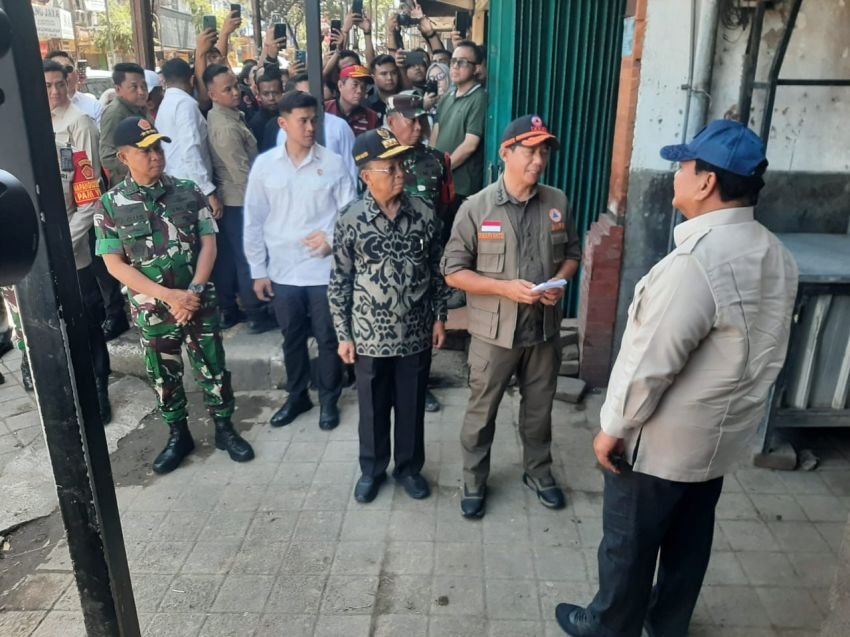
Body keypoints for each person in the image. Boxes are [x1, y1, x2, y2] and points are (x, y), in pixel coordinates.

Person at [554, 120, 799, 637]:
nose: (675, 176)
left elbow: (651, 364)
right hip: (719, 439)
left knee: (629, 543)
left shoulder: (695, 263)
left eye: (683, 167)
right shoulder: (776, 254)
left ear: (707, 181)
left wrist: (612, 428)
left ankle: (609, 626)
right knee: (689, 540)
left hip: (660, 447)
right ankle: (667, 623)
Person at [94, 117, 254, 473]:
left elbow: (209, 244)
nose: (156, 156)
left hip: (198, 301)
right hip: (153, 309)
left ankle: (225, 429)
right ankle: (178, 435)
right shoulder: (110, 204)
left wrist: (192, 292)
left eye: (158, 148)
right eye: (145, 150)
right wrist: (169, 296)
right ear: (123, 157)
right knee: (163, 376)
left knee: (213, 367)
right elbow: (115, 265)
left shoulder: (188, 190)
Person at [441, 115, 581, 519]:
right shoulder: (476, 207)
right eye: (530, 151)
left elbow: (573, 253)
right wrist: (504, 288)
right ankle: (473, 480)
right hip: (493, 335)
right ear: (506, 152)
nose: (539, 160)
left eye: (544, 152)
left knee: (539, 411)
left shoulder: (557, 202)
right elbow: (452, 271)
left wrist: (558, 282)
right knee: (481, 413)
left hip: (543, 331)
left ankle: (538, 472)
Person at [329, 129, 448, 503]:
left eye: (401, 165)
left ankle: (409, 468)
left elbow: (437, 269)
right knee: (372, 408)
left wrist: (440, 316)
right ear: (367, 176)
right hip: (369, 335)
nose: (400, 174)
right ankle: (372, 469)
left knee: (411, 405)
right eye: (390, 168)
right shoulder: (350, 219)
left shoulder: (424, 213)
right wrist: (343, 334)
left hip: (416, 330)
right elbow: (340, 279)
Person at [244, 91, 356, 431]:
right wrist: (258, 271)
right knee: (291, 337)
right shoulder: (265, 166)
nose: (310, 127)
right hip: (283, 270)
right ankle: (297, 397)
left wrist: (332, 240)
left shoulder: (333, 164)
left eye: (313, 120)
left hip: (324, 271)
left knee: (327, 338)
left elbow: (350, 215)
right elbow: (253, 220)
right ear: (283, 123)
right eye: (302, 121)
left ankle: (329, 399)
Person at [43, 60, 113, 421]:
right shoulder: (31, 125)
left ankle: (99, 386)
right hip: (38, 250)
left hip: (72, 247)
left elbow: (89, 197)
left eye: (60, 83)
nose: (55, 91)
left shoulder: (78, 124)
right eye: (47, 85)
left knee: (87, 320)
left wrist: (62, 244)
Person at [386, 90, 455, 413]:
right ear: (391, 122)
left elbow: (445, 205)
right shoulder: (377, 161)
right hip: (385, 258)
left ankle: (419, 386)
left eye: (421, 121)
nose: (418, 127)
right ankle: (387, 385)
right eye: (410, 121)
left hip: (424, 258)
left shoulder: (437, 161)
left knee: (423, 325)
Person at [204, 64, 277, 334]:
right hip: (241, 199)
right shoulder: (225, 126)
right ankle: (256, 312)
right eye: (228, 89)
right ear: (212, 94)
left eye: (235, 85)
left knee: (234, 258)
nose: (236, 92)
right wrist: (263, 204)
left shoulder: (230, 116)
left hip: (237, 198)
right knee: (248, 257)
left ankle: (233, 308)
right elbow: (242, 173)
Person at [155, 58, 222, 222]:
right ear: (192, 80)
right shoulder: (185, 105)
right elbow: (190, 150)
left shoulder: (165, 104)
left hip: (174, 183)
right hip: (190, 187)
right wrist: (208, 191)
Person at [264, 74, 357, 180]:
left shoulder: (339, 127)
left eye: (310, 95)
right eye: (302, 96)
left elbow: (351, 170)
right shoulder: (283, 131)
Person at [432, 41, 487, 208]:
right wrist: (431, 165)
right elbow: (436, 132)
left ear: (476, 68)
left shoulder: (479, 98)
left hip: (461, 187)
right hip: (440, 181)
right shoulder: (447, 96)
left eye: (462, 62)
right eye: (453, 61)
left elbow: (470, 145)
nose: (455, 66)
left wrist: (442, 169)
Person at [100, 62, 149, 187]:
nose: (141, 92)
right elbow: (107, 157)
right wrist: (141, 166)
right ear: (118, 89)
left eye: (144, 86)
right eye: (134, 87)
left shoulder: (141, 109)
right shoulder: (115, 113)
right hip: (129, 186)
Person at [45, 51, 104, 126]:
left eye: (68, 68)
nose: (63, 74)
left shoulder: (94, 106)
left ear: (77, 73)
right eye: (57, 69)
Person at [325, 65, 380, 137]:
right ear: (340, 85)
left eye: (363, 87)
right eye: (355, 85)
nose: (359, 91)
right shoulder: (325, 109)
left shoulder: (371, 117)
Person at [248, 66, 283, 145]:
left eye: (275, 93)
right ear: (259, 95)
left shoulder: (290, 115)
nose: (271, 98)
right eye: (266, 94)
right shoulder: (256, 123)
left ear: (282, 93)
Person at [366, 54, 400, 120]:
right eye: (384, 74)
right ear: (373, 77)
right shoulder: (368, 105)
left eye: (393, 73)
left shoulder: (406, 101)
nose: (389, 78)